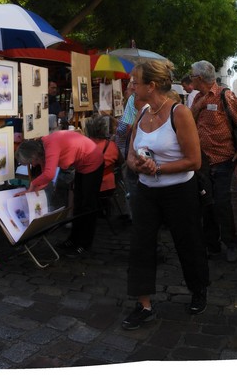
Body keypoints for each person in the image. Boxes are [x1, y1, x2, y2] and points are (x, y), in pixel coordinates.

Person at [122, 58, 207, 328]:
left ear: (152, 85)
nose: (131, 87)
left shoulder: (179, 113)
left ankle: (198, 289)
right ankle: (143, 304)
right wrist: (136, 163)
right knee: (140, 246)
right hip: (147, 190)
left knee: (188, 242)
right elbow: (130, 153)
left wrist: (158, 167)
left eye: (136, 82)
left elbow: (194, 161)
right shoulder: (142, 112)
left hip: (180, 190)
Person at [187, 60, 237, 263]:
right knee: (207, 205)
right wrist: (201, 105)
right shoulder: (197, 98)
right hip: (202, 161)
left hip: (222, 159)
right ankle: (212, 245)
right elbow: (188, 121)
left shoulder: (225, 96)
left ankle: (231, 243)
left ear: (200, 78)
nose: (190, 79)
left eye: (192, 76)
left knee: (222, 203)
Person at [16, 128, 105, 256]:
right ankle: (74, 239)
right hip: (83, 164)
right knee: (78, 204)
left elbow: (49, 174)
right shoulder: (43, 149)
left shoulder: (50, 145)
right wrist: (32, 191)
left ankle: (84, 244)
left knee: (87, 206)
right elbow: (45, 178)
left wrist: (32, 184)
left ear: (34, 155)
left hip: (92, 161)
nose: (33, 165)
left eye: (31, 162)